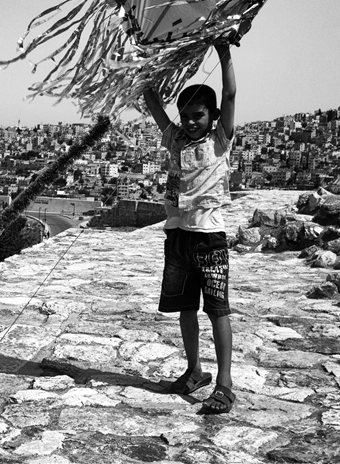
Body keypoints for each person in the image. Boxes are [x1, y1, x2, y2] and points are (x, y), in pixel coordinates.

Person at [142, 41, 236, 414]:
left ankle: (225, 383)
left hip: (209, 237)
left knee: (218, 310)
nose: (189, 121)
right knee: (186, 308)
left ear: (212, 116)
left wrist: (223, 50)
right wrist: (145, 69)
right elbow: (152, 105)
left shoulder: (220, 140)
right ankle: (194, 370)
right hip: (178, 234)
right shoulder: (175, 139)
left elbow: (229, 92)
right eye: (185, 115)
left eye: (197, 115)